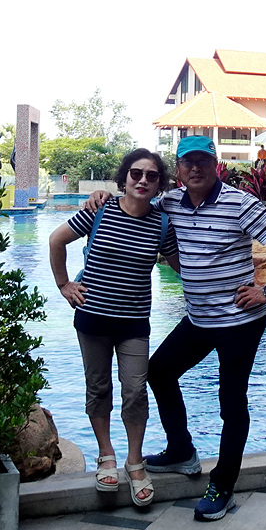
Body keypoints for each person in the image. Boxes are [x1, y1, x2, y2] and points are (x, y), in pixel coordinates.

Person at [85, 135, 266, 521]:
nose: (195, 168)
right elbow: (135, 201)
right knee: (159, 371)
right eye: (187, 162)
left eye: (202, 161)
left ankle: (223, 485)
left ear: (215, 165)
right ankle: (181, 449)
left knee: (231, 401)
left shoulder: (238, 202)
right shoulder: (171, 203)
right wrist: (101, 196)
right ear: (178, 170)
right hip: (199, 319)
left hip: (238, 322)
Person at [49, 148, 179, 507]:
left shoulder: (162, 224)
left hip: (134, 323)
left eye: (151, 176)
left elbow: (181, 265)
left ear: (159, 184)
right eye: (136, 173)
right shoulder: (99, 210)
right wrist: (63, 285)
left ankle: (134, 461)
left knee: (135, 391)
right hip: (92, 318)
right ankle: (106, 454)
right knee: (98, 387)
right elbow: (56, 240)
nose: (143, 180)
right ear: (125, 177)